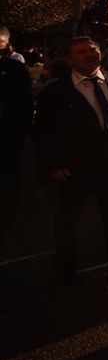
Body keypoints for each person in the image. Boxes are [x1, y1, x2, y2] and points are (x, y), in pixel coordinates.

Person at [34, 36, 108, 283]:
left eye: (92, 50)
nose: (89, 55)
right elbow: (43, 132)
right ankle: (66, 268)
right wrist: (53, 165)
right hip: (73, 167)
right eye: (81, 52)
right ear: (69, 59)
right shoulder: (56, 92)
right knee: (68, 219)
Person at [0, 36, 33, 244]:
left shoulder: (15, 71)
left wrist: (20, 140)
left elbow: (25, 109)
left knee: (7, 207)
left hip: (7, 151)